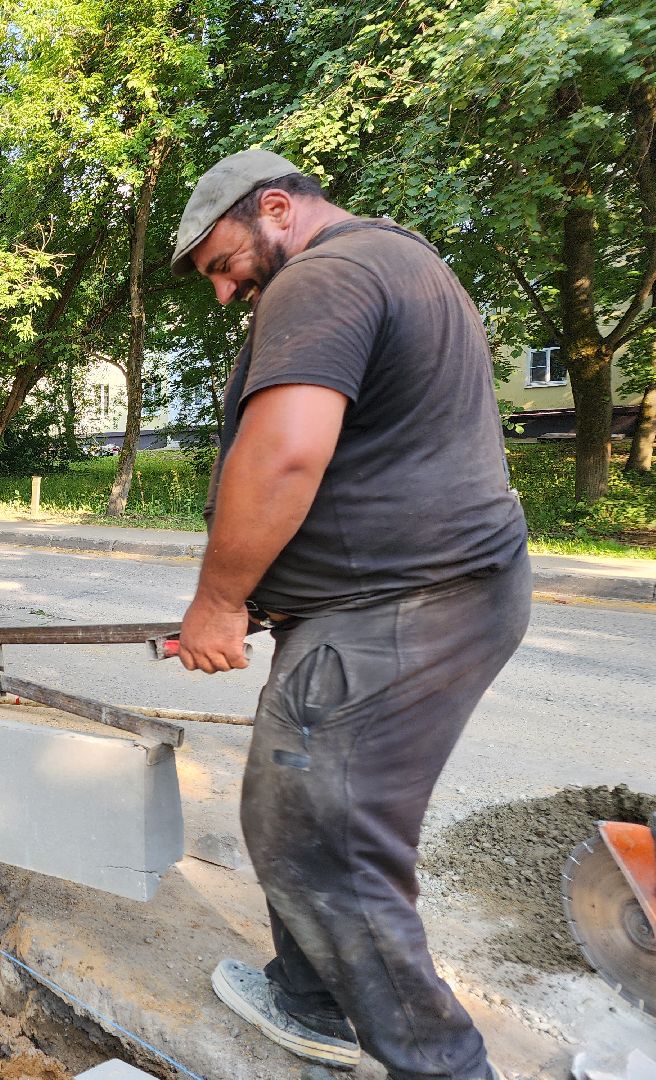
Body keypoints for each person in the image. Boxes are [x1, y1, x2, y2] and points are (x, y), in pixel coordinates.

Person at [169, 149, 529, 1079]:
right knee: (294, 800)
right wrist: (268, 597)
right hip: (400, 598)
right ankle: (311, 1000)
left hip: (403, 606)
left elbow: (287, 454)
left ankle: (441, 1065)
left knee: (322, 843)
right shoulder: (398, 260)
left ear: (277, 208)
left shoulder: (324, 275)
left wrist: (219, 601)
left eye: (220, 263)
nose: (223, 292)